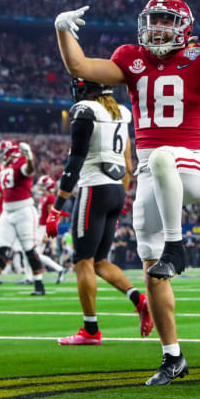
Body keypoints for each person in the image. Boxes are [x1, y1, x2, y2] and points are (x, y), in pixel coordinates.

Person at [55, 0, 200, 384]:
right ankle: (172, 356)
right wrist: (61, 29)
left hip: (193, 165)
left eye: (166, 21)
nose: (158, 27)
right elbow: (79, 64)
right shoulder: (129, 58)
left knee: (161, 158)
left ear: (185, 27)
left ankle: (178, 246)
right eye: (153, 20)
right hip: (151, 179)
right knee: (151, 269)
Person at [46, 77, 152, 345]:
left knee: (82, 261)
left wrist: (56, 208)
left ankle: (91, 330)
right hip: (116, 190)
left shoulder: (85, 111)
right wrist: (121, 195)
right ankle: (139, 300)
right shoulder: (119, 114)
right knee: (100, 261)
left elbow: (74, 164)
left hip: (94, 188)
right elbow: (129, 164)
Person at [0, 139, 44, 296]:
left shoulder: (21, 162)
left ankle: (39, 283)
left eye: (1, 152)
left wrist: (30, 157)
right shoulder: (6, 166)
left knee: (29, 248)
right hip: (7, 211)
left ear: (9, 151)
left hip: (23, 210)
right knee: (1, 247)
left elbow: (29, 170)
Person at [33, 175, 66, 281]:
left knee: (34, 254)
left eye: (43, 186)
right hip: (39, 228)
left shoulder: (51, 198)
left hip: (43, 228)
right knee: (32, 253)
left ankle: (59, 269)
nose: (40, 188)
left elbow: (52, 216)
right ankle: (59, 269)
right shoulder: (43, 197)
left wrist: (48, 233)